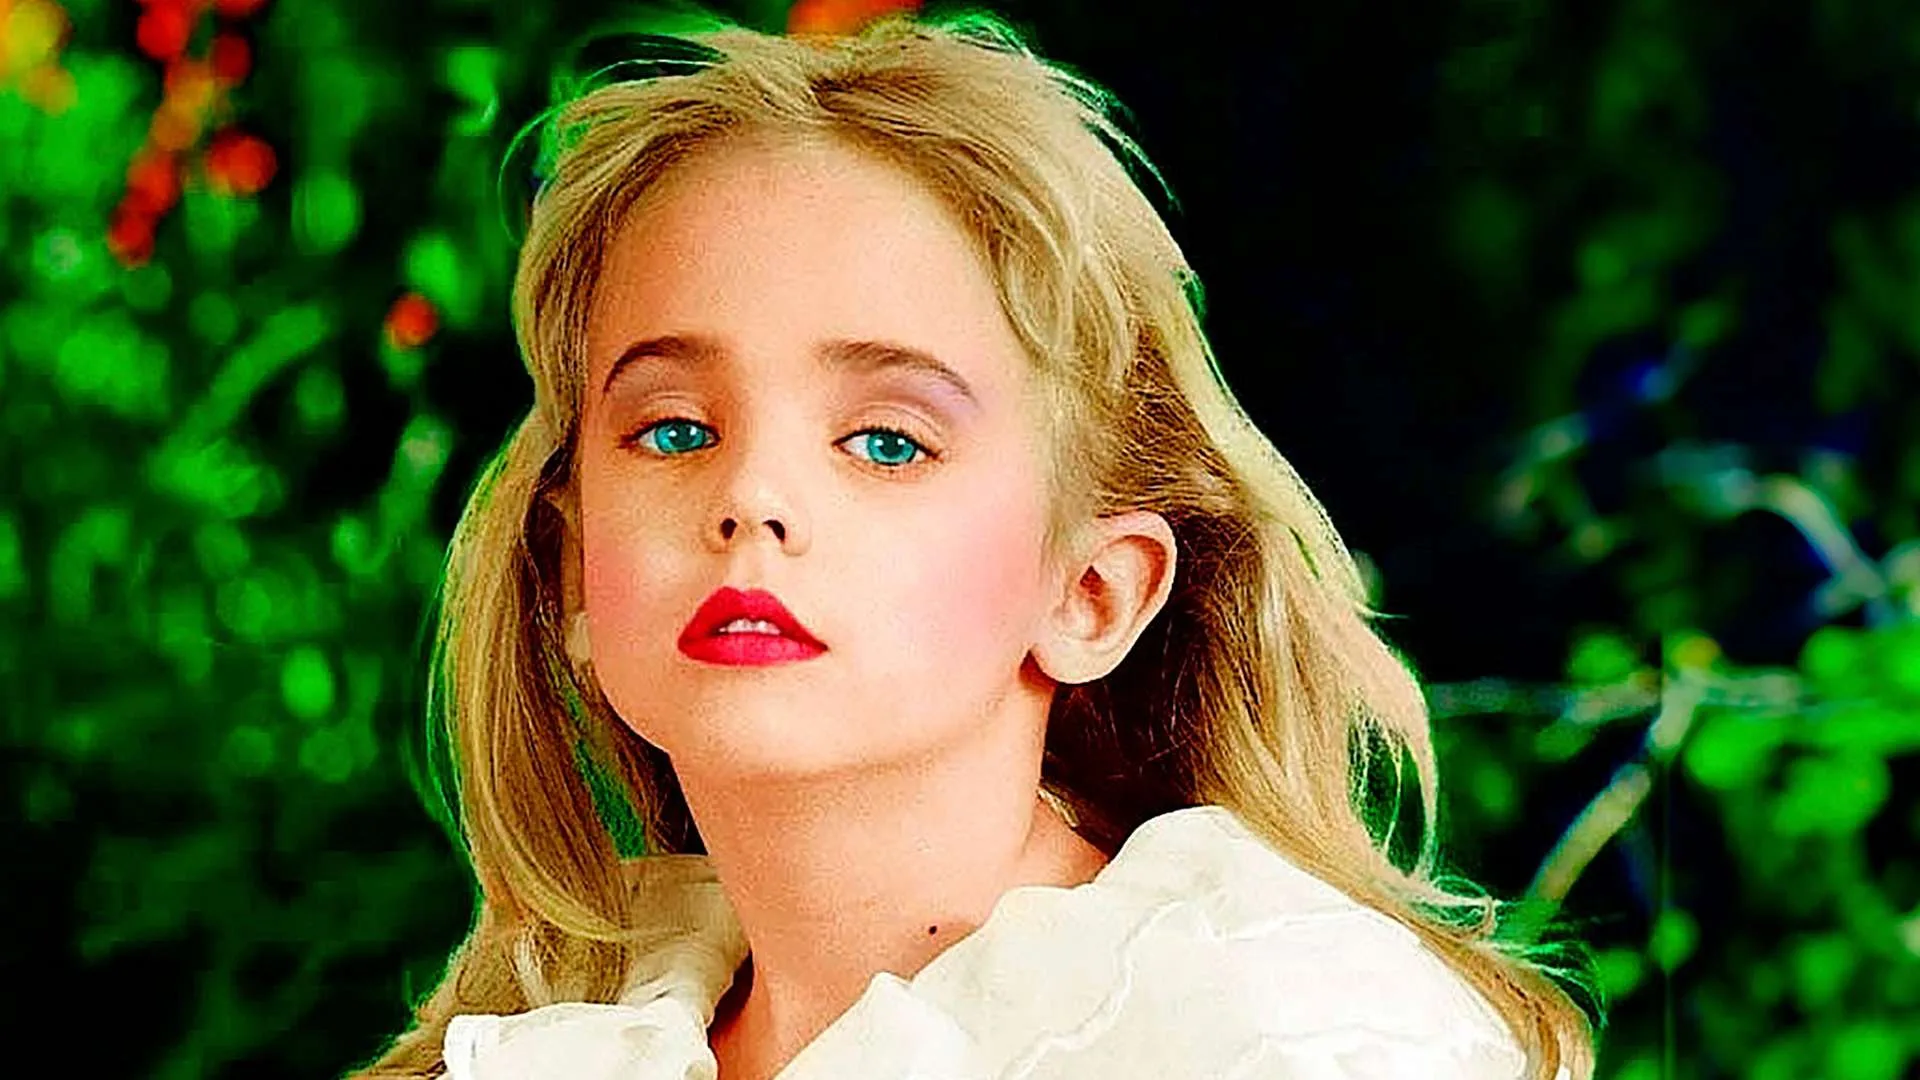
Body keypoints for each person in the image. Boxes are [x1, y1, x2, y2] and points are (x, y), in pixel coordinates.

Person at [351, 12, 1599, 1080]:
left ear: (1092, 591)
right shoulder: (558, 1044)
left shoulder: (1278, 1036)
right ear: (573, 568)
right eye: (674, 428)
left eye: (887, 441)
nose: (751, 495)